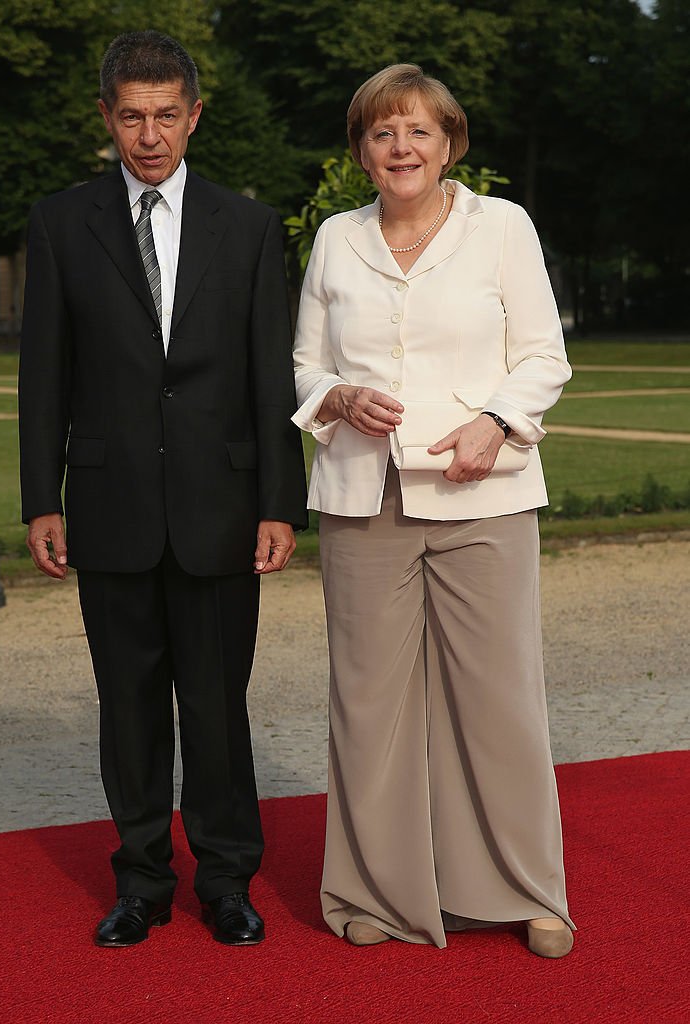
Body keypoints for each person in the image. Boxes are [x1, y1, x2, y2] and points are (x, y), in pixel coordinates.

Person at [18, 30, 307, 949]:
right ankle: (141, 882)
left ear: (194, 115)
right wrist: (41, 498)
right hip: (108, 511)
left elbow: (273, 378)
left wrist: (278, 503)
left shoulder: (252, 228)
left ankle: (227, 881)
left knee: (218, 711)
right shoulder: (61, 224)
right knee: (129, 707)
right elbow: (42, 376)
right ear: (108, 117)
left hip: (223, 511)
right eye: (132, 117)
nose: (150, 135)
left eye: (166, 116)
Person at [292, 64, 575, 958]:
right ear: (361, 153)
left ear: (449, 141)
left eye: (417, 131)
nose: (400, 147)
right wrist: (336, 398)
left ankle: (529, 891)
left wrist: (496, 423)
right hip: (362, 498)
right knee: (369, 706)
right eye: (382, 133)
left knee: (499, 702)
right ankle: (376, 893)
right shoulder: (336, 239)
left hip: (481, 492)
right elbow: (303, 364)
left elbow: (543, 356)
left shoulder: (503, 227)